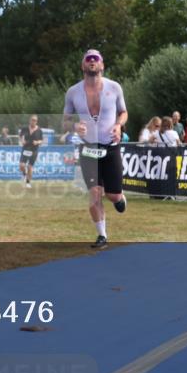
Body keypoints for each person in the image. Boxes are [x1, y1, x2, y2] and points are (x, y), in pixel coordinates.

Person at [63, 48, 128, 250]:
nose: (92, 61)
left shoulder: (114, 87)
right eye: (88, 59)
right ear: (83, 65)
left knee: (112, 195)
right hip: (88, 147)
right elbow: (65, 121)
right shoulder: (73, 92)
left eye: (96, 59)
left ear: (102, 65)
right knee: (94, 193)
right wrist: (74, 126)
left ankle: (120, 196)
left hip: (110, 147)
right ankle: (102, 235)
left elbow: (123, 112)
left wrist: (119, 125)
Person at [18, 115, 44, 188]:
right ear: (30, 120)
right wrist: (22, 140)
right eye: (32, 120)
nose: (33, 121)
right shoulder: (25, 129)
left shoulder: (39, 130)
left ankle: (28, 182)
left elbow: (42, 140)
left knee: (30, 167)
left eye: (35, 120)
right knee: (22, 165)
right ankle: (24, 174)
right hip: (25, 148)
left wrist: (37, 142)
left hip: (34, 150)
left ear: (37, 121)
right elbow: (20, 136)